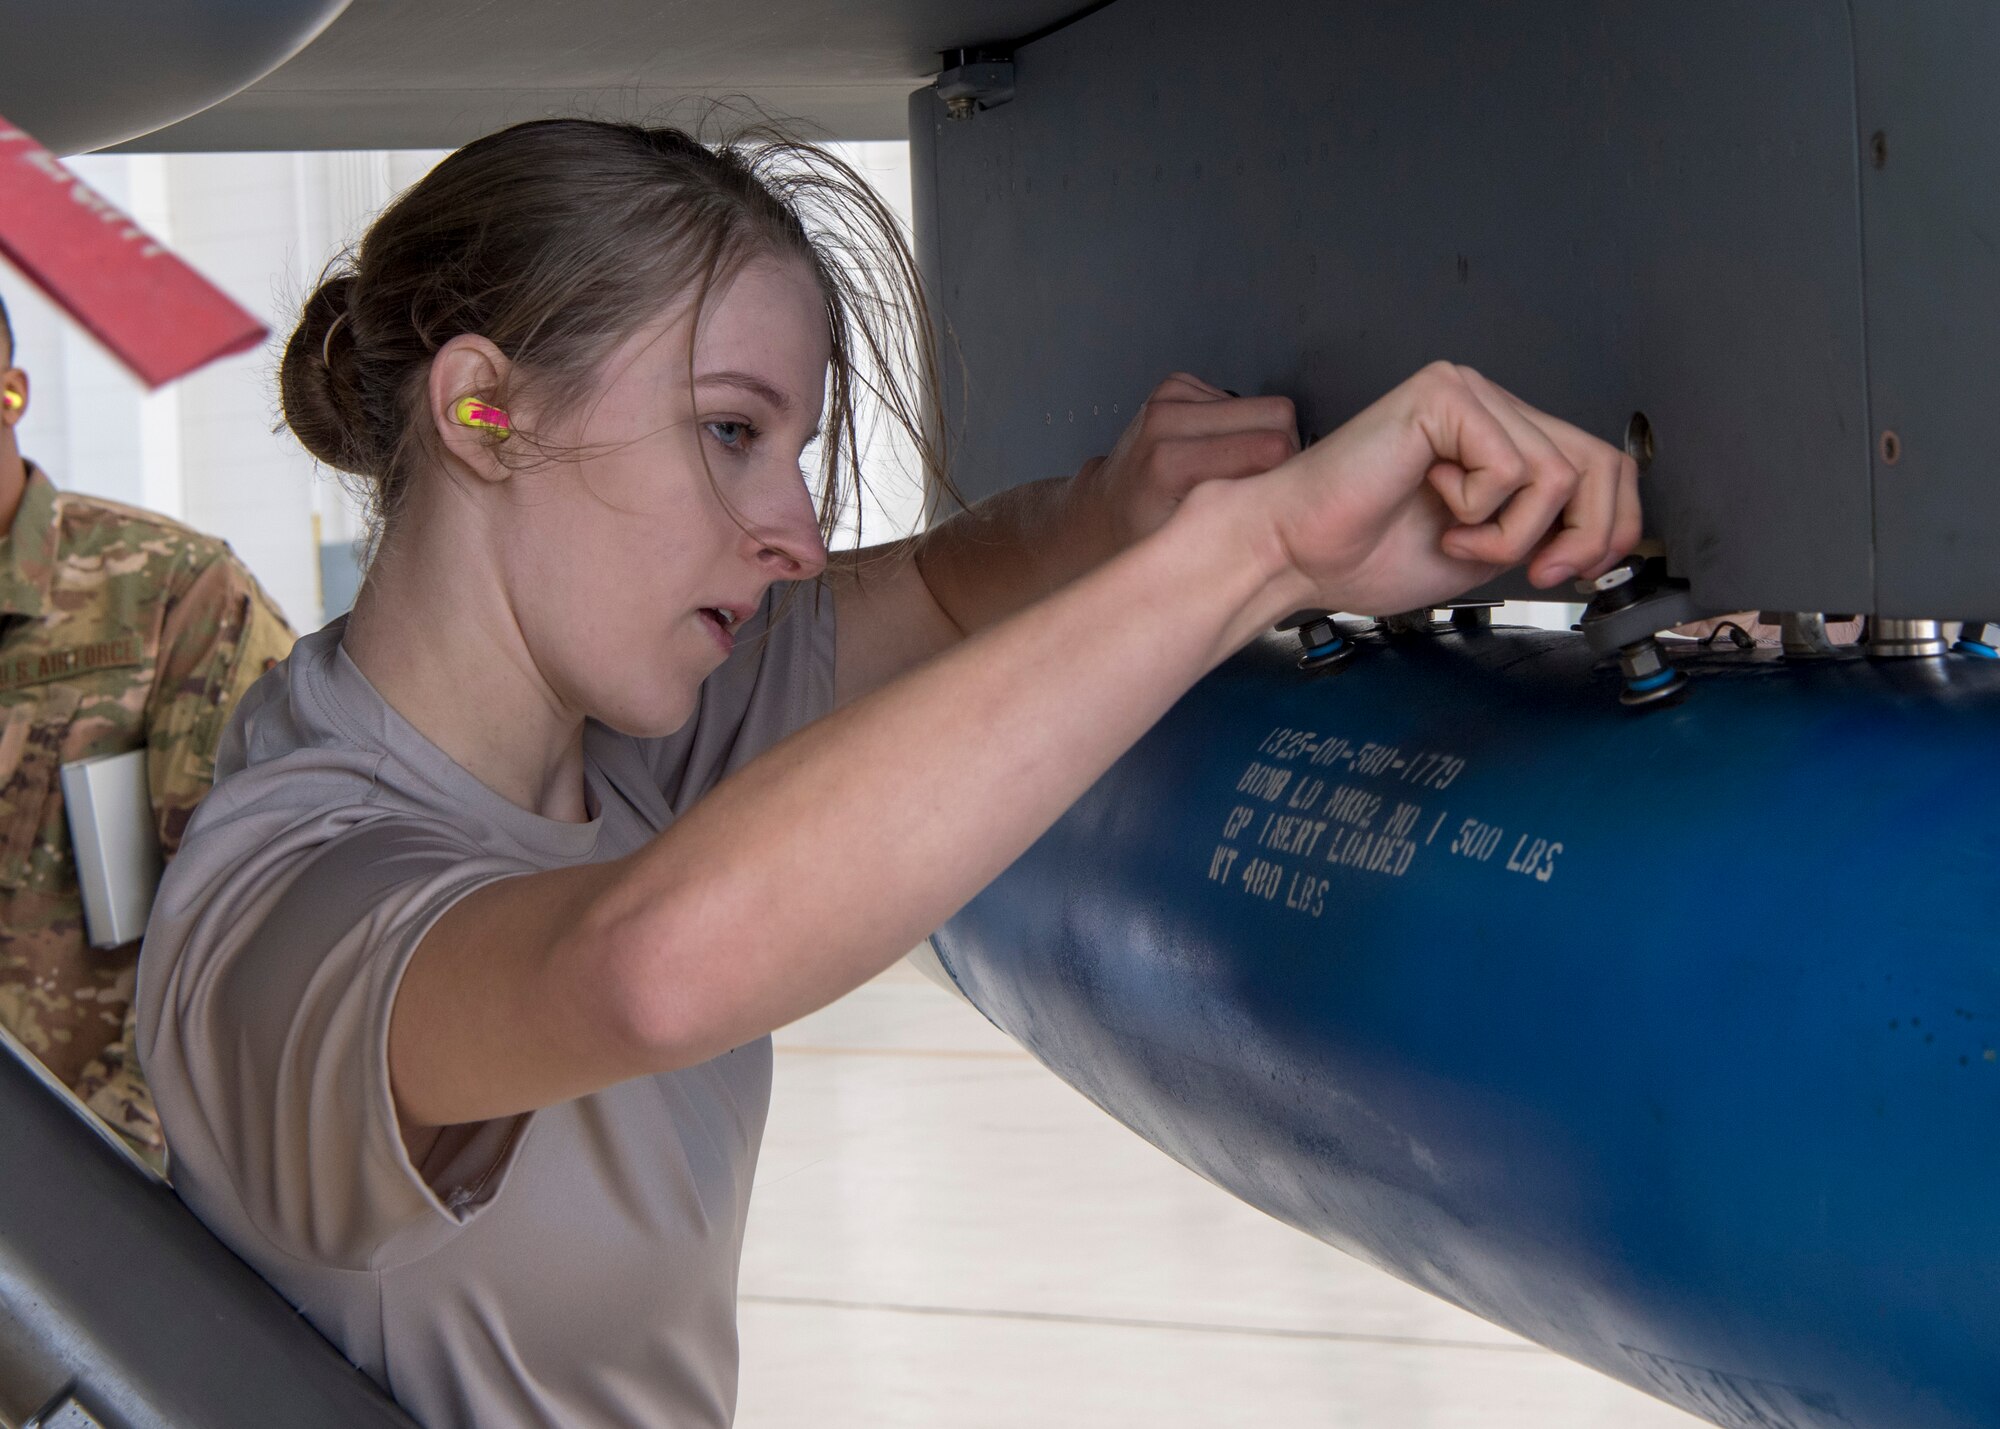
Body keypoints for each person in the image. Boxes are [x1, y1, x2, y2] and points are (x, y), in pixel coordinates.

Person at [135, 118, 1640, 1428]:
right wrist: (1250, 559)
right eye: (729, 430)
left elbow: (937, 592)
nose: (792, 527)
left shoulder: (628, 745)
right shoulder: (286, 896)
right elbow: (644, 969)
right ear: (484, 409)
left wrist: (1127, 517)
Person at [0, 290, 293, 1170]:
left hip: (95, 1198)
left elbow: (243, 933)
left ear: (11, 393)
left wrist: (104, 1189)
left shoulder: (171, 595)